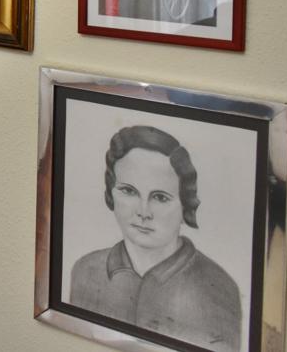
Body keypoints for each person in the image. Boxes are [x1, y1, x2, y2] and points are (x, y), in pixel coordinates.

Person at [70, 126, 241, 351]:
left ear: (185, 204)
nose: (143, 212)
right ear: (111, 192)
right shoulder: (85, 270)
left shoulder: (217, 288)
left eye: (160, 197)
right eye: (129, 191)